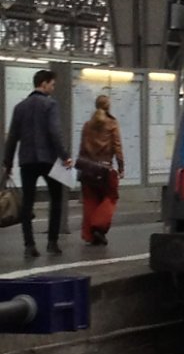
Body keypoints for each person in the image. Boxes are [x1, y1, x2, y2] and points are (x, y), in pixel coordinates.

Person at [1, 69, 72, 258]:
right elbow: (54, 133)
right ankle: (52, 242)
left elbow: (13, 138)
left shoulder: (20, 107)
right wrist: (64, 156)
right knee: (56, 200)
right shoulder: (50, 105)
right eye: (52, 84)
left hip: (27, 161)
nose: (53, 88)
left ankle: (29, 245)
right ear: (44, 84)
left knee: (27, 203)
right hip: (48, 160)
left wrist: (7, 163)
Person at [77, 94, 125, 246]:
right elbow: (117, 147)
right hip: (105, 168)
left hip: (88, 168)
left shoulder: (87, 125)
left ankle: (90, 234)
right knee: (111, 197)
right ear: (108, 107)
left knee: (90, 200)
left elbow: (82, 147)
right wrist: (121, 167)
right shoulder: (112, 124)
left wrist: (81, 166)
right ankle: (98, 225)